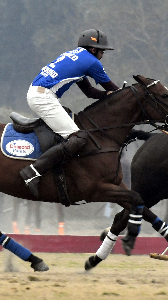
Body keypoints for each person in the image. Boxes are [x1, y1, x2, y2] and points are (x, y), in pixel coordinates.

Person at [20, 29, 120, 198]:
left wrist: (105, 95)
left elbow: (89, 91)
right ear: (93, 49)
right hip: (43, 97)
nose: (103, 54)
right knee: (79, 138)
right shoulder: (92, 62)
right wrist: (126, 93)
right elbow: (114, 90)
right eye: (102, 50)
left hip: (38, 93)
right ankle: (33, 171)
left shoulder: (75, 57)